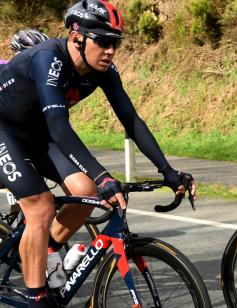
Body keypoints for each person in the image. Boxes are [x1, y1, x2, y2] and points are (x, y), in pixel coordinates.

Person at [0, 0, 196, 306]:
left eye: (115, 43)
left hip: (38, 134)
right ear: (77, 37)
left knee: (87, 191)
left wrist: (168, 171)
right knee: (40, 207)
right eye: (103, 42)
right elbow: (59, 126)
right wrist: (104, 174)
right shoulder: (47, 58)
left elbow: (131, 120)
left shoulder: (102, 69)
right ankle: (36, 297)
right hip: (5, 130)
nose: (110, 51)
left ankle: (48, 250)